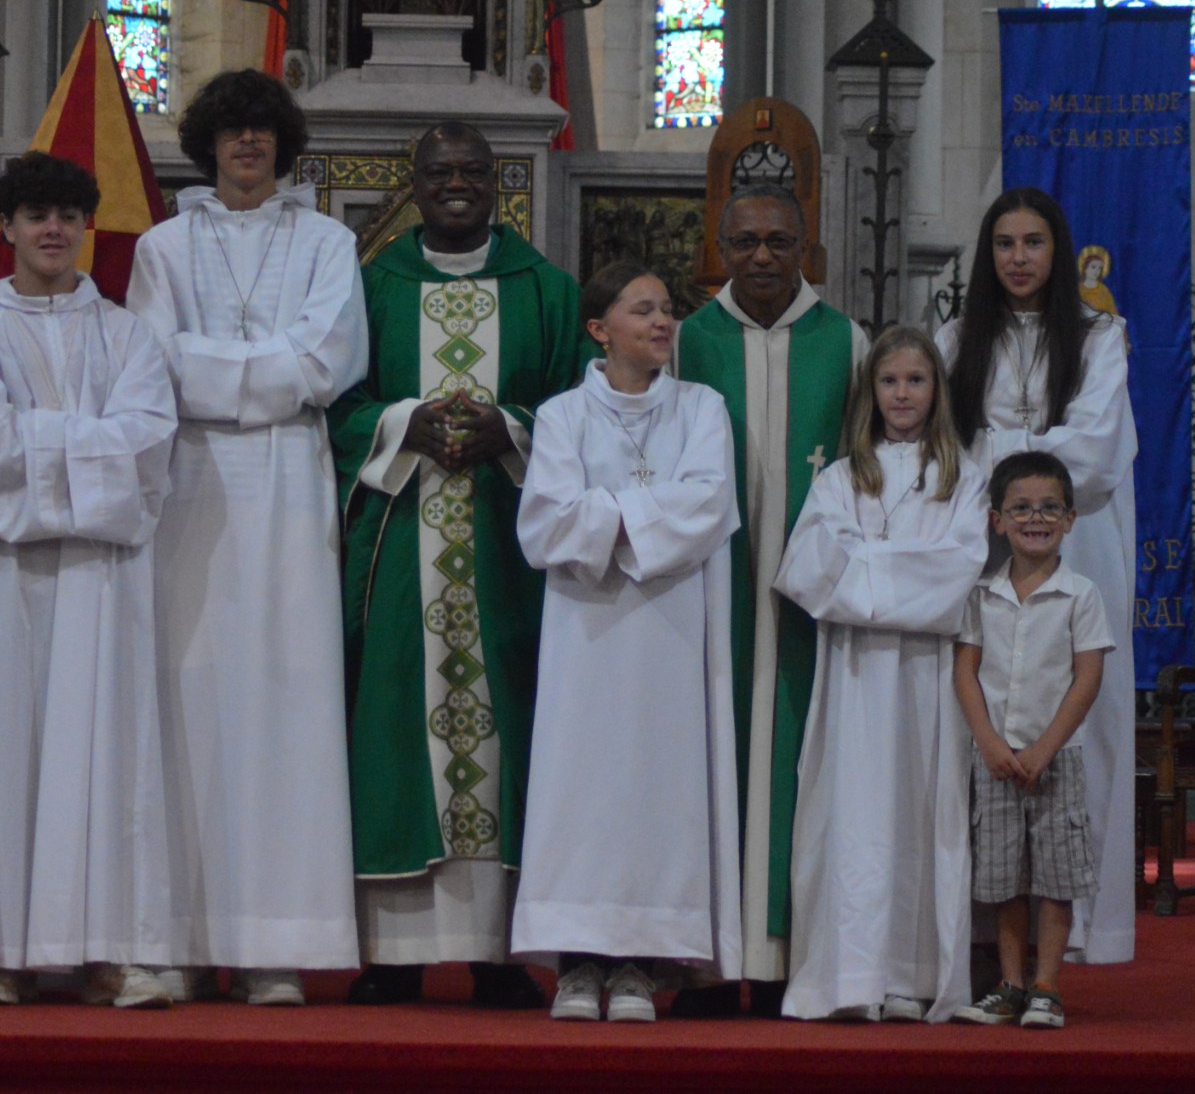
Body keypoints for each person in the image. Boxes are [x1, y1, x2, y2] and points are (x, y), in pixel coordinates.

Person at [331, 121, 591, 1009]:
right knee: (398, 719)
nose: (455, 185)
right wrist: (404, 422)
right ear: (413, 182)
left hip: (507, 544)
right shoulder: (370, 289)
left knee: (509, 723)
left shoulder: (547, 290)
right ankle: (394, 955)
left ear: (496, 185)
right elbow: (336, 403)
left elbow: (580, 408)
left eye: (471, 172)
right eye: (438, 172)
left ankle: (497, 952)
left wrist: (512, 430)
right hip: (403, 546)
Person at [124, 69, 368, 1006]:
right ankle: (175, 940)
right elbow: (155, 365)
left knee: (286, 703)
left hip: (287, 487)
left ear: (284, 144)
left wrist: (215, 369)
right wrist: (252, 374)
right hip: (190, 484)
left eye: (264, 132)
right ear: (209, 145)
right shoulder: (163, 247)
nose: (249, 147)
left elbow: (327, 363)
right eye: (233, 133)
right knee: (187, 699)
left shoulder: (327, 240)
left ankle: (276, 944)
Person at [0, 152, 180, 1008]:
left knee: (105, 751)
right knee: (6, 747)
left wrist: (45, 439)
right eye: (36, 214)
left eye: (68, 216)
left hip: (100, 573)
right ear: (4, 226)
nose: (52, 229)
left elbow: (148, 439)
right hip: (6, 571)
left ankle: (103, 948)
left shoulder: (126, 333)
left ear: (87, 227)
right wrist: (85, 439)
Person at [512, 261, 742, 1025]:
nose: (662, 322)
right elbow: (545, 523)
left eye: (667, 309)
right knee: (582, 792)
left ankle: (644, 965)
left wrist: (605, 514)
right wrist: (644, 515)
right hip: (586, 633)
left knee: (661, 790)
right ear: (598, 328)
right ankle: (579, 962)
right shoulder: (562, 416)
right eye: (642, 310)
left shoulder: (702, 408)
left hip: (673, 632)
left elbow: (709, 505)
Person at [673, 181, 865, 1016]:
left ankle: (787, 955)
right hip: (710, 596)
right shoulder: (686, 340)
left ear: (805, 249)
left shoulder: (847, 342)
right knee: (707, 764)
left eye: (778, 242)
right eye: (744, 242)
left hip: (807, 603)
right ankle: (708, 962)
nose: (760, 257)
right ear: (721, 249)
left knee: (797, 762)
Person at [935, 186, 1137, 964]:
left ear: (1058, 252)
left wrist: (998, 448)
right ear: (989, 257)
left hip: (1077, 549)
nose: (1019, 258)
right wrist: (1014, 451)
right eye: (1005, 244)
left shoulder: (1099, 337)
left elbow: (1093, 453)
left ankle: (1079, 928)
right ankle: (990, 928)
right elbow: (944, 449)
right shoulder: (956, 339)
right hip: (984, 553)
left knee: (1080, 719)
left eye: (1034, 243)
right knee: (982, 717)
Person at [775, 327, 989, 1023]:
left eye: (917, 381)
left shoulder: (967, 475)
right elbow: (809, 570)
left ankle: (913, 974)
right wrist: (901, 574)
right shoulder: (839, 478)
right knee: (853, 817)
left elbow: (962, 573)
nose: (902, 394)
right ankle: (848, 972)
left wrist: (868, 571)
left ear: (938, 390)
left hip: (930, 682)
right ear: (870, 392)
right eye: (890, 382)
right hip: (855, 678)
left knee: (924, 814)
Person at [951, 452, 1113, 1030]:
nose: (1035, 518)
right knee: (1002, 880)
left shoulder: (1081, 595)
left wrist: (1044, 748)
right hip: (996, 761)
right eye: (1020, 508)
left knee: (1055, 878)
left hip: (1055, 761)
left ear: (1070, 519)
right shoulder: (980, 594)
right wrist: (989, 742)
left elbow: (1088, 678)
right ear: (996, 520)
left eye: (1049, 508)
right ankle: (1010, 985)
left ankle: (1047, 987)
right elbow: (965, 672)